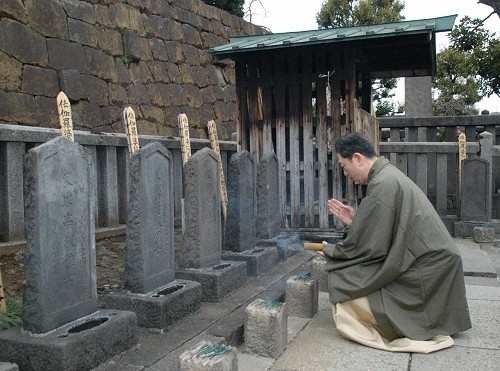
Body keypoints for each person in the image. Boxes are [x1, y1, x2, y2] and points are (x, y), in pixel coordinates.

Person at [319, 132, 471, 353]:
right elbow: (383, 230)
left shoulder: (383, 183)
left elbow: (369, 247)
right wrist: (356, 220)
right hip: (435, 261)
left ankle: (400, 321)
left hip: (426, 268)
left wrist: (333, 251)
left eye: (344, 165)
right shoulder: (386, 177)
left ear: (358, 158)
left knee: (343, 279)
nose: (345, 172)